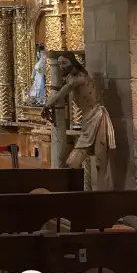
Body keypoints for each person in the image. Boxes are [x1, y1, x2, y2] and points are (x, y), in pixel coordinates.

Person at [42, 52, 118, 190]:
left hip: (98, 117)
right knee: (73, 162)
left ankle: (103, 197)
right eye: (59, 64)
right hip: (88, 120)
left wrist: (47, 105)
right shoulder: (72, 77)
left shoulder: (79, 78)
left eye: (64, 63)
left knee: (101, 163)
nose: (61, 67)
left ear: (73, 62)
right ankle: (73, 194)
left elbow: (60, 94)